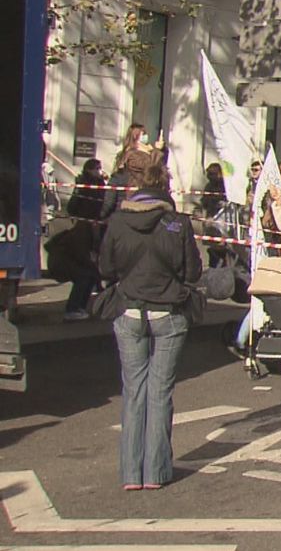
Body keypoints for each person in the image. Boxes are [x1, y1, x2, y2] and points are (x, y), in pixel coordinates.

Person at [98, 163, 201, 491]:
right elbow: (192, 272)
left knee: (133, 391)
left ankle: (130, 473)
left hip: (129, 308)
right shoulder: (177, 223)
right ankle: (156, 472)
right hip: (167, 310)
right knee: (160, 391)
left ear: (133, 186)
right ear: (165, 186)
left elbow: (105, 266)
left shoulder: (118, 221)